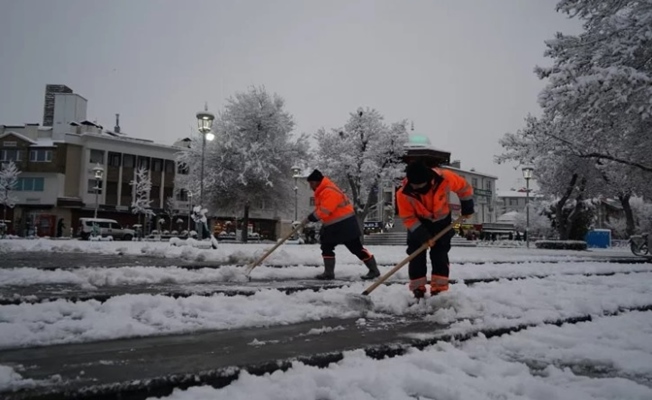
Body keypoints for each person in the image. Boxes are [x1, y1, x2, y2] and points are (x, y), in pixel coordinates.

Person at [396, 161, 474, 299]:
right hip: (419, 223)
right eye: (414, 185)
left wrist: (467, 205)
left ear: (428, 179)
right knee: (415, 254)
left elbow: (464, 187)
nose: (417, 188)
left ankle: (439, 288)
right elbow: (408, 218)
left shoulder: (445, 178)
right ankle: (418, 288)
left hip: (442, 222)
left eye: (420, 186)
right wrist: (423, 235)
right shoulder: (403, 193)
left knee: (440, 254)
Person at [306, 169, 380, 280]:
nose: (310, 186)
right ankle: (328, 273)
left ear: (317, 181)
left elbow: (326, 209)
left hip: (345, 225)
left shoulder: (329, 190)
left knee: (356, 248)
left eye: (311, 183)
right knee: (326, 246)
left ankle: (374, 270)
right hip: (334, 225)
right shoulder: (323, 191)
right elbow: (327, 212)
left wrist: (313, 217)